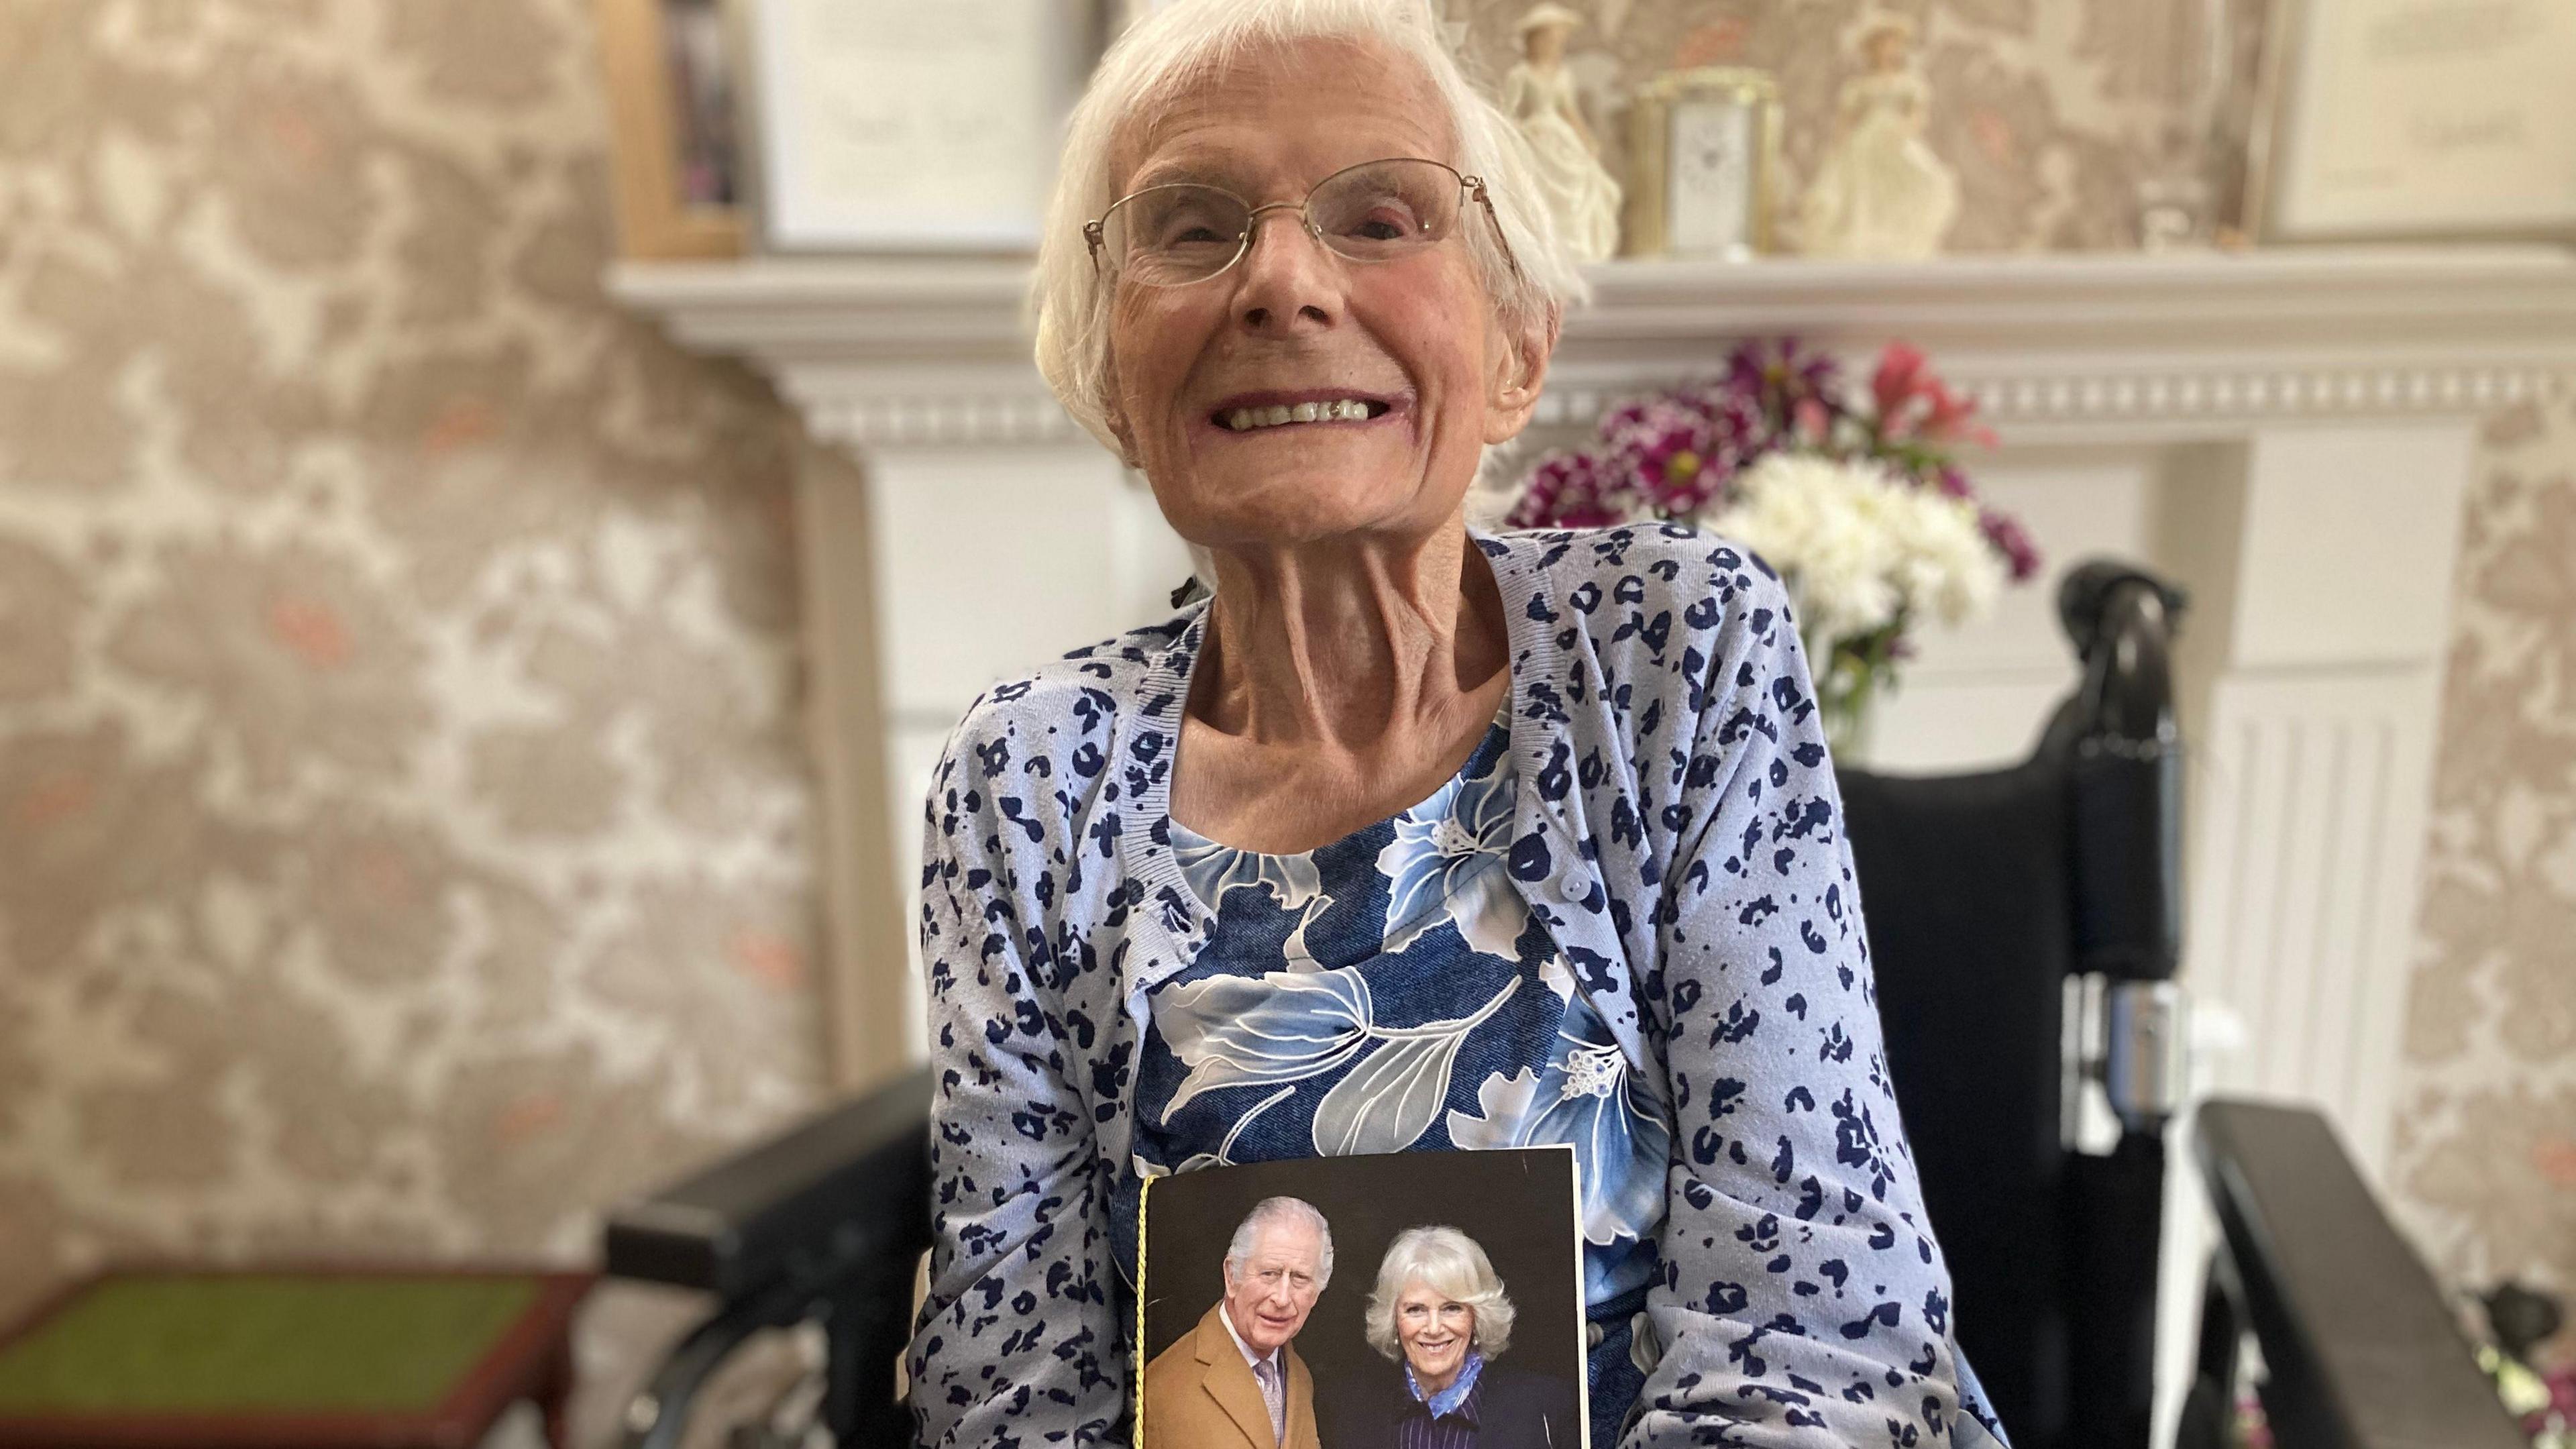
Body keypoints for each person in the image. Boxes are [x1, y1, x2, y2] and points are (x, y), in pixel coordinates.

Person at [902, 0, 2010, 1444]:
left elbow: (1816, 1326)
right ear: (1112, 379)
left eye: (1379, 217)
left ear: (1517, 352)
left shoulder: (1672, 647)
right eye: (1189, 227)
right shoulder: (1027, 775)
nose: (1284, 284)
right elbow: (1011, 1383)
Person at [1326, 1226, 1574, 1449]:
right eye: (1416, 1310)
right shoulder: (1349, 1411)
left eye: (1452, 1308)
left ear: (1478, 1317)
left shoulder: (1547, 1409)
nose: (1434, 1328)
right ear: (1393, 1320)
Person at [1143, 1197, 1332, 1449]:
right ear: (1232, 1277)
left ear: (1317, 1293)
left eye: (1299, 1278)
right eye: (1269, 1274)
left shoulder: (1300, 1377)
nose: (1282, 1298)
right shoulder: (1162, 1387)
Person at [1501, 3, 1620, 262]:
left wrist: (1587, 139)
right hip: (1534, 139)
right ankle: (1544, 246)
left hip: (1559, 138)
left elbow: (1569, 111)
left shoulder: (1563, 75)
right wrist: (1523, 132)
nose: (1555, 47)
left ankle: (1575, 247)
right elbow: (1507, 113)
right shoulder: (1520, 75)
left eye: (1558, 41)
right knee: (1539, 188)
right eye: (1550, 40)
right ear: (1536, 41)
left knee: (1583, 180)